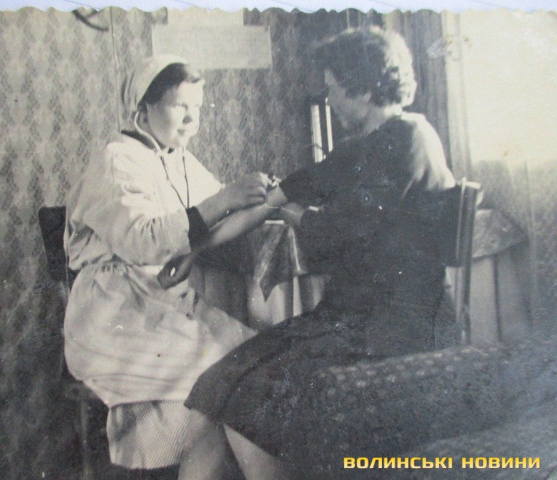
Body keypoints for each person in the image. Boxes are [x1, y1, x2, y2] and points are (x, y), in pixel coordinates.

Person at [161, 27, 459, 480]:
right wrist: (196, 248)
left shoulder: (408, 139)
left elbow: (333, 233)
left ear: (364, 88)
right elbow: (272, 200)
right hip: (353, 317)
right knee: (222, 382)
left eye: (334, 89)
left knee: (245, 396)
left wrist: (292, 210)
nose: (330, 101)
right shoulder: (366, 146)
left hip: (396, 325)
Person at [62, 54, 271, 476]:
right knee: (219, 375)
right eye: (180, 106)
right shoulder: (116, 159)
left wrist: (267, 197)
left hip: (164, 303)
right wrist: (224, 199)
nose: (192, 118)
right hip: (113, 314)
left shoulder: (178, 159)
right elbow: (144, 240)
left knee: (255, 358)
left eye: (197, 107)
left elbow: (219, 213)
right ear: (143, 110)